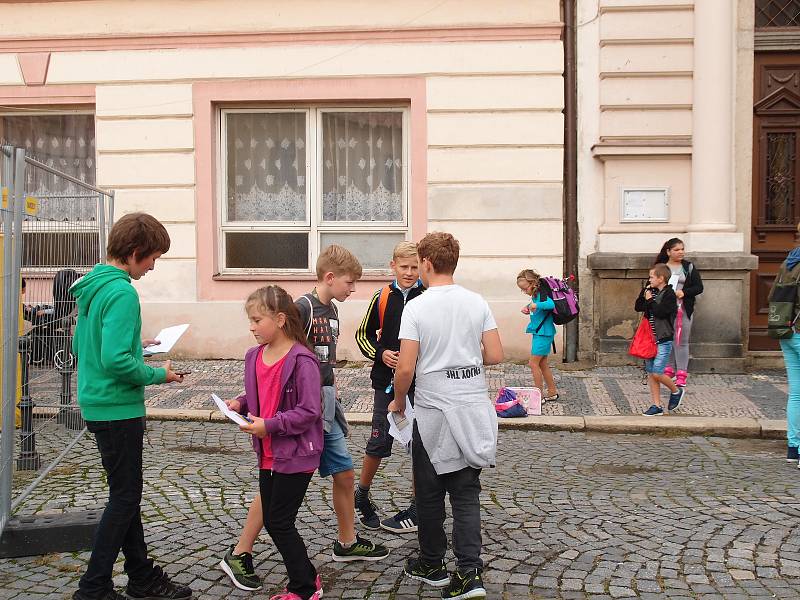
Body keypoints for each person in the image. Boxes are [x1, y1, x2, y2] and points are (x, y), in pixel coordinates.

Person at [70, 212, 191, 600]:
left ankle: (141, 576)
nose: (154, 266)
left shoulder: (94, 285)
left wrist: (139, 347)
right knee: (124, 499)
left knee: (126, 495)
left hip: (97, 403)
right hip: (117, 408)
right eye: (153, 258)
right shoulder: (122, 291)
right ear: (135, 252)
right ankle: (93, 587)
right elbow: (115, 362)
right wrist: (160, 375)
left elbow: (86, 347)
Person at [390, 232, 503, 600]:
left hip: (434, 409)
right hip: (471, 405)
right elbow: (496, 354)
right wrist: (464, 361)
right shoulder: (476, 301)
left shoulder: (417, 307)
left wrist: (397, 402)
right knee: (466, 494)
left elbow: (405, 368)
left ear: (425, 263)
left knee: (429, 492)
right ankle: (470, 573)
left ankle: (431, 563)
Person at [227, 285, 325, 600]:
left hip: (296, 454)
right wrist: (241, 404)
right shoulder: (254, 355)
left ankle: (305, 588)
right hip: (268, 453)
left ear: (280, 319)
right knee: (273, 519)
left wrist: (269, 426)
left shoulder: (301, 360)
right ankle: (309, 577)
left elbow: (310, 412)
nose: (252, 327)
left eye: (257, 320)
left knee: (279, 521)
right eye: (250, 321)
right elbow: (261, 394)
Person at [295, 244, 389, 562]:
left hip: (326, 402)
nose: (353, 288)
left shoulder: (333, 309)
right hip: (305, 407)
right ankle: (242, 549)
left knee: (345, 474)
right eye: (349, 282)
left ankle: (347, 543)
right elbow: (283, 356)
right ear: (331, 277)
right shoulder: (302, 308)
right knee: (284, 480)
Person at [354, 241, 425, 533]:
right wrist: (380, 353)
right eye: (404, 266)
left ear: (422, 267)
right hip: (385, 383)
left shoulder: (427, 296)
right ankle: (362, 494)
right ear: (392, 265)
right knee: (378, 442)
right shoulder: (382, 296)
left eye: (414, 267)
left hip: (419, 385)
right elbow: (362, 335)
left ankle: (417, 506)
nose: (409, 272)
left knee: (418, 447)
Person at [636, 263, 685, 417]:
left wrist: (650, 301)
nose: (649, 279)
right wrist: (644, 293)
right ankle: (656, 405)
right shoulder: (650, 291)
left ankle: (676, 391)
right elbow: (638, 307)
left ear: (661, 278)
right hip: (650, 338)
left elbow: (661, 312)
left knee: (657, 372)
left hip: (663, 338)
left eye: (651, 277)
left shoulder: (669, 294)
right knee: (651, 373)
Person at [768, 235, 800, 466]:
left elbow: (771, 296)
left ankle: (793, 447)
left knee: (797, 393)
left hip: (786, 331)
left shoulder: (789, 261)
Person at [655, 238, 704, 388]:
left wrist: (684, 292)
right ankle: (668, 368)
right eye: (676, 250)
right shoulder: (661, 268)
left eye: (682, 249)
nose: (681, 252)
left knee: (681, 341)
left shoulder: (688, 267)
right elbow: (653, 284)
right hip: (665, 310)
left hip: (682, 309)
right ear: (668, 252)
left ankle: (681, 373)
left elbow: (699, 287)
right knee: (666, 339)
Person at [516, 269, 559, 402]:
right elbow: (537, 307)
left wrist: (535, 305)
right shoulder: (536, 295)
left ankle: (538, 395)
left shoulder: (541, 293)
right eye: (522, 290)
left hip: (543, 333)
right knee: (543, 364)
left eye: (525, 288)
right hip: (540, 333)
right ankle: (552, 392)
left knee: (533, 363)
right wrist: (528, 307)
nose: (524, 291)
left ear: (533, 283)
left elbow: (551, 304)